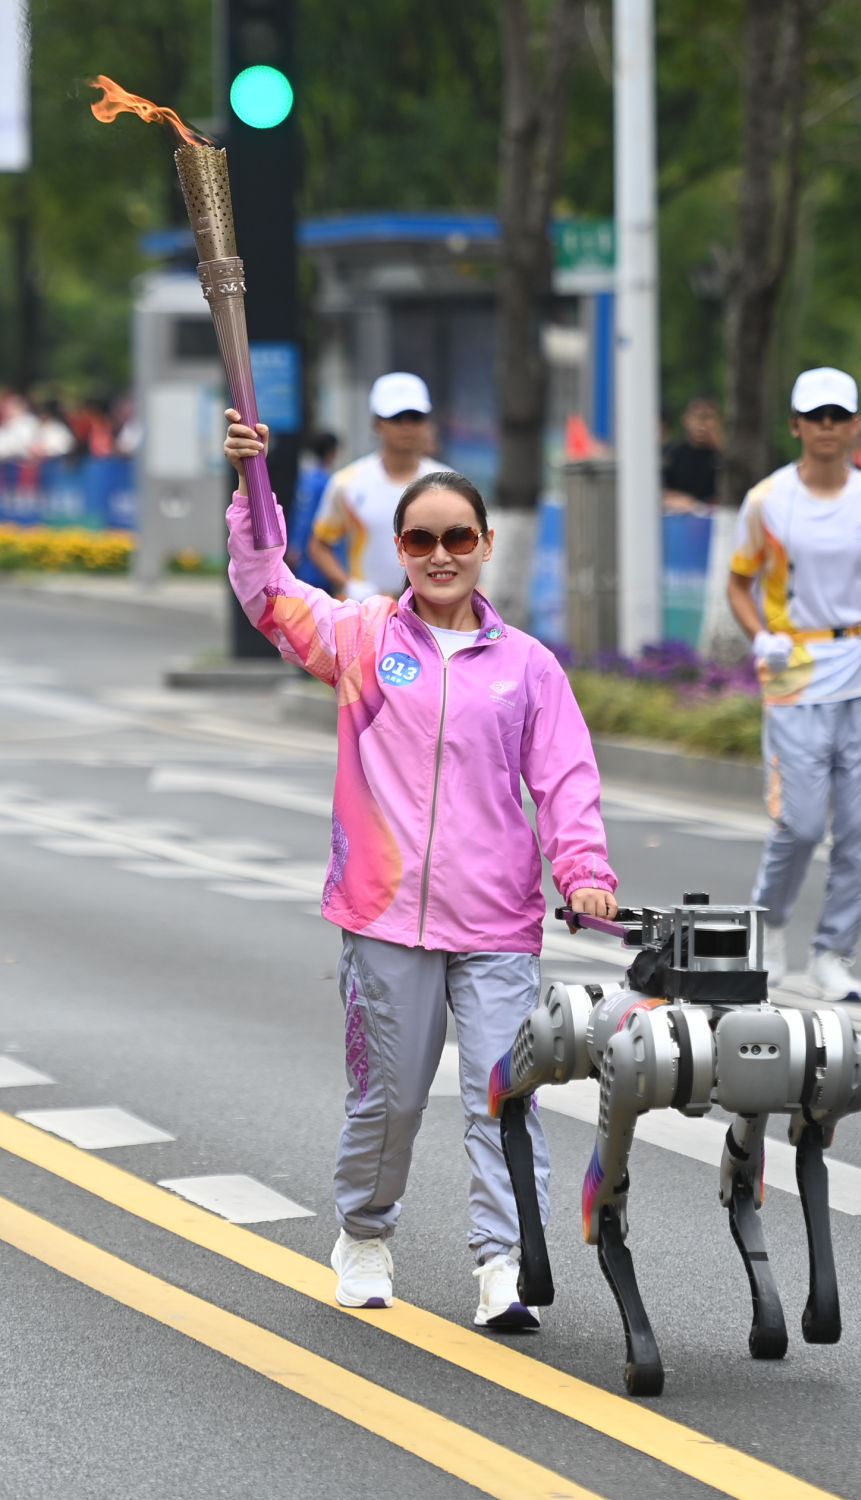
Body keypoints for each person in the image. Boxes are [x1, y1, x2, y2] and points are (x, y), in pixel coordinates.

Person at [223, 407, 618, 1328]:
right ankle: (363, 1234)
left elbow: (564, 779)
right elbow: (266, 589)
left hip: (495, 923)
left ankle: (502, 1266)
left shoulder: (526, 667)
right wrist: (252, 492)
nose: (440, 554)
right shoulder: (360, 639)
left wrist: (583, 869)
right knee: (390, 1100)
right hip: (385, 914)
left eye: (458, 538)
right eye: (420, 539)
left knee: (502, 1099)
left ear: (483, 547)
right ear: (399, 548)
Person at [726, 367, 861, 1002]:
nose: (827, 427)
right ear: (796, 425)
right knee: (799, 822)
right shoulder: (767, 501)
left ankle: (834, 951)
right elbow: (738, 582)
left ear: (855, 426)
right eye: (816, 417)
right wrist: (762, 635)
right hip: (795, 668)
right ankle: (770, 922)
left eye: (839, 416)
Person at [306, 372, 447, 600]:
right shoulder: (348, 483)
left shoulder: (448, 484)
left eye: (415, 417)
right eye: (396, 417)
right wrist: (348, 584)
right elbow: (318, 545)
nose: (407, 426)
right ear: (376, 424)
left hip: (431, 607)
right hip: (367, 611)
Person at [286, 431, 341, 589]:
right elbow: (306, 518)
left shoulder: (309, 478)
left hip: (308, 555)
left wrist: (294, 545)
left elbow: (300, 516)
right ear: (332, 452)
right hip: (317, 554)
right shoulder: (326, 482)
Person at [661, 395, 722, 511]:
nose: (701, 424)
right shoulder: (673, 455)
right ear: (686, 419)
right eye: (696, 416)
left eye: (708, 417)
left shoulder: (723, 457)